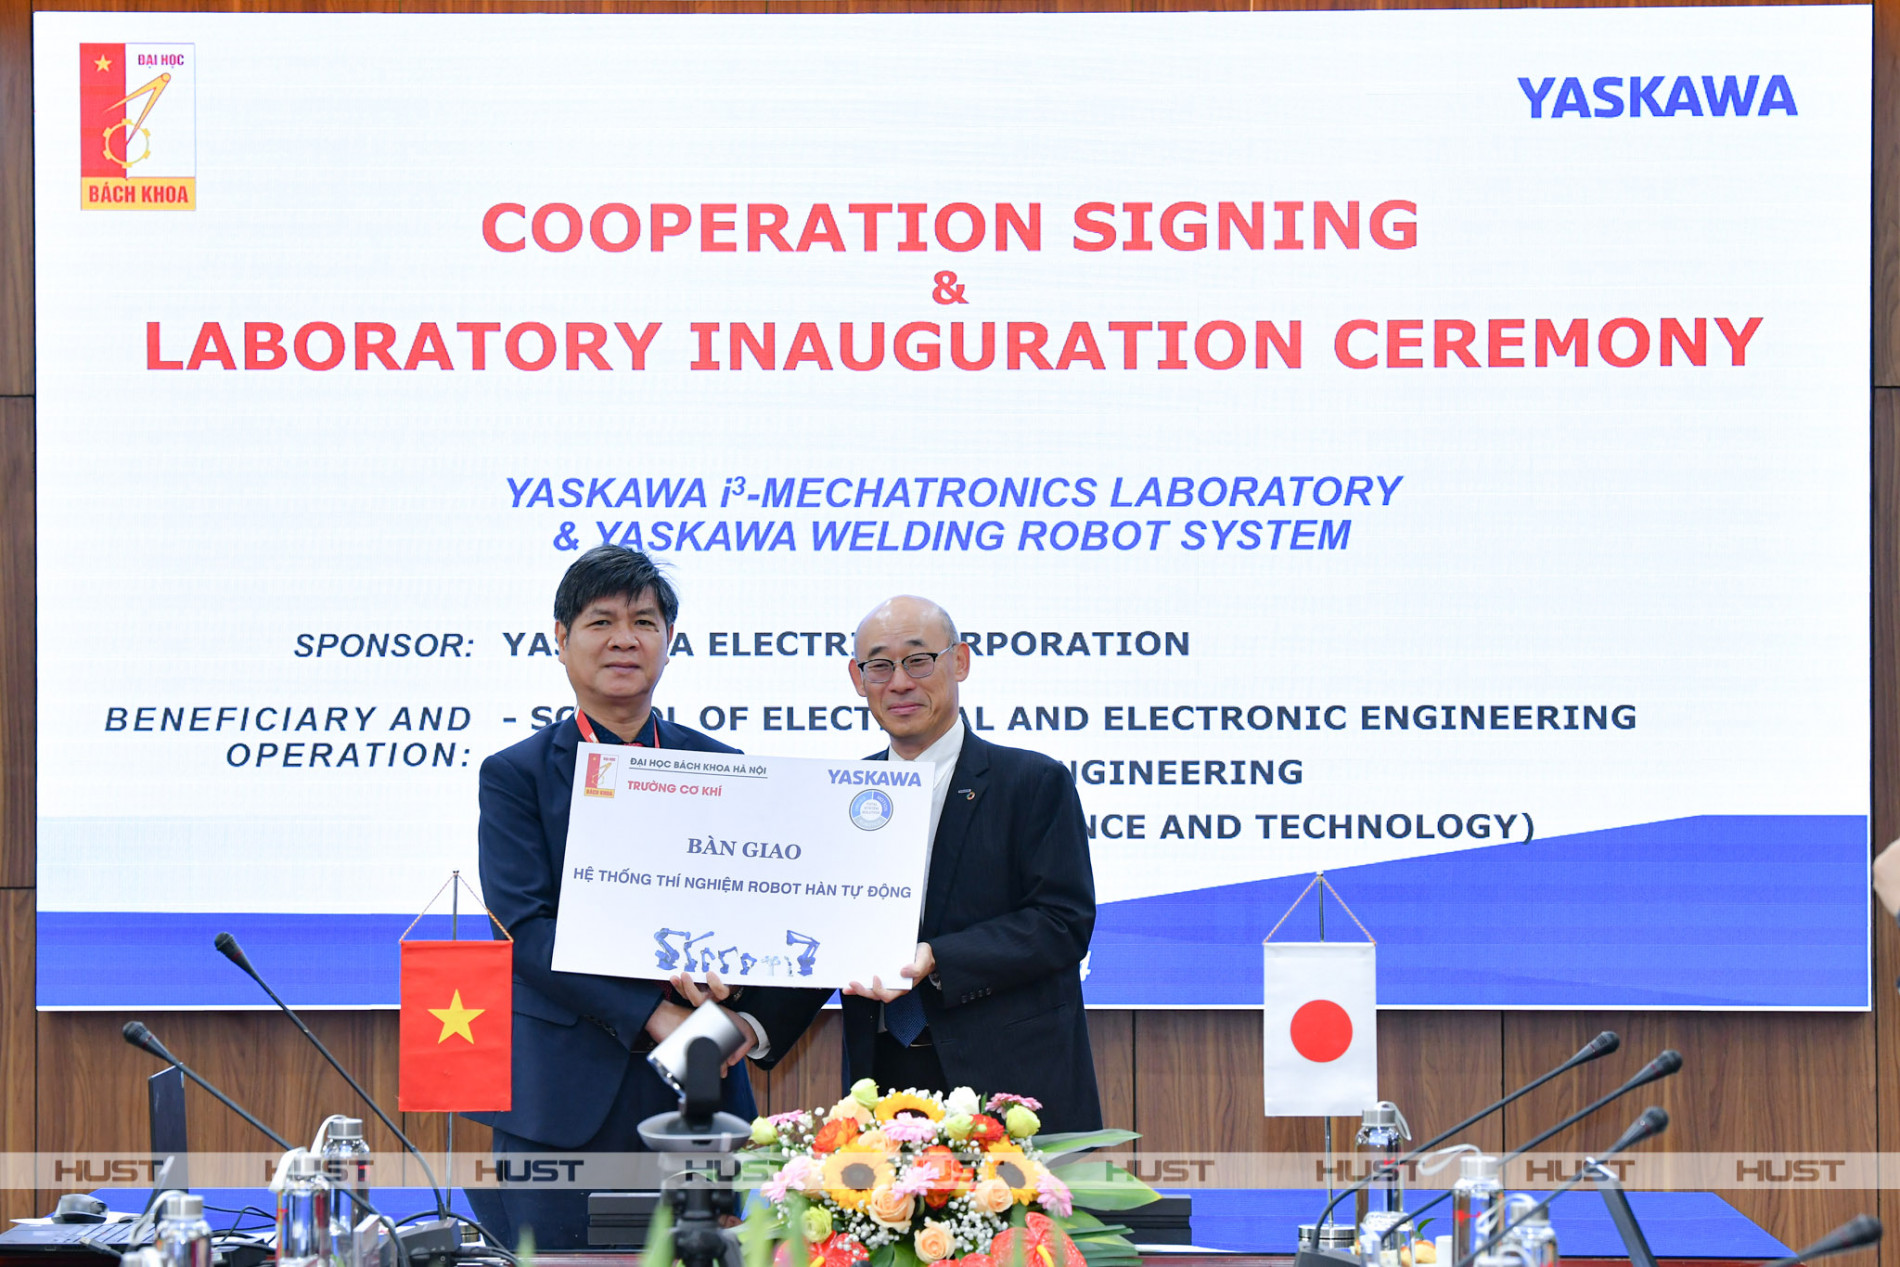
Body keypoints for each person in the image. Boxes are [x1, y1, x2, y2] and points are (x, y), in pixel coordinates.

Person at [464, 545, 818, 1249]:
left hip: (700, 1085)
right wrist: (653, 1014)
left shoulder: (724, 769)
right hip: (560, 1098)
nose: (624, 639)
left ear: (669, 639)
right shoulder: (515, 775)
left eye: (644, 622)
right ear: (560, 638)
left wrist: (735, 992)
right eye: (601, 621)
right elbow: (523, 927)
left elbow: (766, 915)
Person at [836, 594, 1103, 1132]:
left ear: (959, 661)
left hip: (1009, 1085)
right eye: (879, 666)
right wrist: (746, 1020)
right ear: (857, 679)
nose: (899, 683)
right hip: (880, 1080)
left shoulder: (1033, 782)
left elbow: (1062, 923)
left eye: (918, 660)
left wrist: (939, 957)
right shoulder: (841, 795)